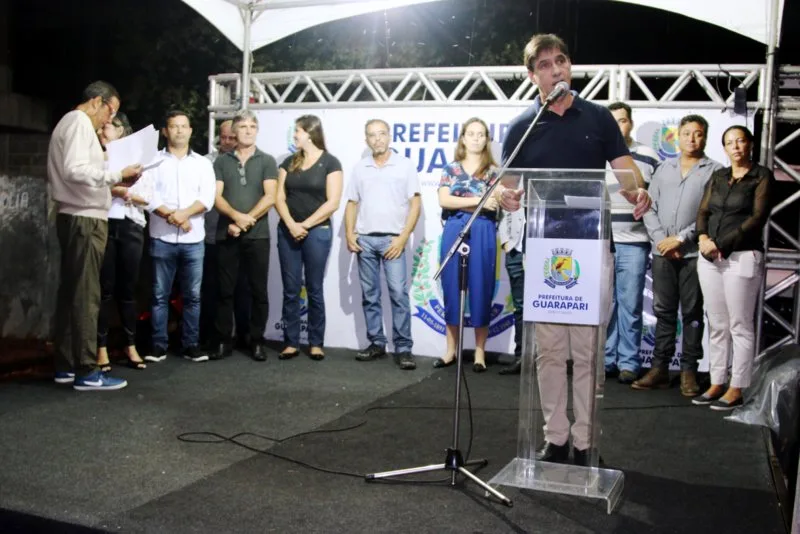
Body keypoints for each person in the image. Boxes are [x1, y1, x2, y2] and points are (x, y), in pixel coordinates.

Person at [495, 34, 650, 466]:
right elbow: (507, 191)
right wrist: (505, 200)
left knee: (585, 351)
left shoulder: (598, 118)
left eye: (560, 61)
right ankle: (556, 437)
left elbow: (625, 173)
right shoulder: (522, 125)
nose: (555, 70)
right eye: (544, 65)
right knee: (549, 352)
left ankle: (584, 443)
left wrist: (640, 192)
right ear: (532, 77)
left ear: (570, 66)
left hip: (590, 246)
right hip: (543, 249)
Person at [48, 80, 142, 391]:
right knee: (86, 295)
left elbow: (79, 170)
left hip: (77, 215)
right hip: (84, 219)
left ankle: (66, 364)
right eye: (110, 111)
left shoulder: (72, 124)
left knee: (73, 292)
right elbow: (75, 170)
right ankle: (87, 370)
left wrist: (113, 178)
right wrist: (116, 174)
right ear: (96, 102)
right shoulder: (78, 122)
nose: (109, 120)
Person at [634, 115, 723, 397]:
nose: (692, 139)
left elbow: (709, 214)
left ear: (705, 138)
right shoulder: (663, 169)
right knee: (663, 311)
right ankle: (659, 368)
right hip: (663, 253)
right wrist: (662, 240)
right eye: (686, 134)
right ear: (678, 136)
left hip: (693, 253)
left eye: (697, 134)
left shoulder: (715, 171)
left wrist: (681, 238)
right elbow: (648, 206)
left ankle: (689, 371)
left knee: (693, 313)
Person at [693, 125, 774, 411]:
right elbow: (703, 211)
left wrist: (721, 243)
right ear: (724, 148)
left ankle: (737, 386)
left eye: (740, 141)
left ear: (750, 144)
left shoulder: (762, 176)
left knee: (740, 325)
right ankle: (716, 381)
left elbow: (757, 217)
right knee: (717, 324)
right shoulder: (718, 176)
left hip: (742, 256)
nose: (736, 147)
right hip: (710, 259)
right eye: (730, 143)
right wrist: (703, 238)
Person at [345, 119, 421, 370]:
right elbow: (352, 203)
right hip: (365, 240)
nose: (377, 139)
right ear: (366, 140)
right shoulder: (360, 168)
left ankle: (403, 348)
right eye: (371, 135)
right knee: (370, 295)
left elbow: (415, 204)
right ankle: (376, 342)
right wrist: (349, 234)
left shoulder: (405, 166)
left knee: (398, 294)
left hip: (392, 240)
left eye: (381, 134)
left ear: (389, 136)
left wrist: (402, 238)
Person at [145, 110, 216, 363]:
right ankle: (158, 345)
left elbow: (207, 198)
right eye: (174, 126)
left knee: (193, 296)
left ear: (190, 131)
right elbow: (148, 196)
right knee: (158, 295)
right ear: (165, 131)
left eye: (184, 126)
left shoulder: (203, 163)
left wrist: (183, 215)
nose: (179, 131)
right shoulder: (153, 161)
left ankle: (190, 344)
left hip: (193, 240)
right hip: (161, 237)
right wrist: (171, 216)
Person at [211, 110, 278, 361]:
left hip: (257, 236)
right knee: (225, 291)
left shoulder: (267, 160)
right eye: (243, 127)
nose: (248, 131)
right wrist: (235, 218)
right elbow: (216, 196)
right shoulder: (221, 162)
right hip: (226, 232)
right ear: (234, 132)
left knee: (258, 291)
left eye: (252, 126)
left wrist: (244, 221)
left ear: (257, 131)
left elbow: (270, 196)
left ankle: (256, 341)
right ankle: (223, 341)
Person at [275, 115, 343, 361]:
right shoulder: (288, 162)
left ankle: (316, 342)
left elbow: (333, 202)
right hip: (288, 231)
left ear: (310, 133)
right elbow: (279, 198)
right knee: (291, 289)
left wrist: (305, 224)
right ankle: (291, 342)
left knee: (314, 287)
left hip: (317, 232)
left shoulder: (331, 163)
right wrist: (291, 225)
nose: (295, 136)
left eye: (298, 131)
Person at [435, 118, 499, 373]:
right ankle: (451, 350)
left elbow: (493, 203)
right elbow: (443, 200)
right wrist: (477, 201)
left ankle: (480, 353)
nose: (475, 138)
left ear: (486, 139)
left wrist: (462, 200)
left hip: (483, 229)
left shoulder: (494, 171)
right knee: (452, 286)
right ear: (462, 138)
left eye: (480, 134)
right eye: (470, 133)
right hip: (454, 228)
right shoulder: (451, 169)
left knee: (482, 287)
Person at [604, 102, 661, 384]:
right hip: (601, 242)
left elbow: (657, 196)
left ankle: (628, 362)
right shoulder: (596, 153)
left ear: (631, 123)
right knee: (605, 304)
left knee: (630, 304)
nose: (618, 125)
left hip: (635, 240)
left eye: (623, 120)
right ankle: (606, 359)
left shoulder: (648, 156)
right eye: (613, 121)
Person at [96, 112, 150, 372]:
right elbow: (90, 186)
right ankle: (101, 349)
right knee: (104, 289)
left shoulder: (136, 160)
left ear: (122, 131)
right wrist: (120, 187)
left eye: (110, 125)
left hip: (130, 227)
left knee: (128, 290)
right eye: (103, 124)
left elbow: (146, 195)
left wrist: (116, 188)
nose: (104, 127)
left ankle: (130, 345)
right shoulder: (94, 157)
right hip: (104, 224)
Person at [202, 120, 252, 350]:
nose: (229, 142)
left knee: (243, 288)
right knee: (214, 290)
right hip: (213, 234)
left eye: (233, 138)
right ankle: (214, 337)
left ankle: (243, 336)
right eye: (225, 138)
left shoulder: (249, 162)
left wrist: (240, 222)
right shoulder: (206, 163)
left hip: (244, 234)